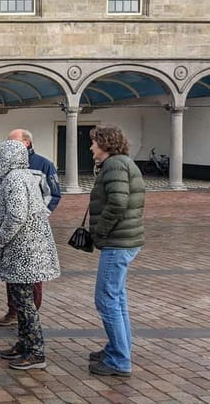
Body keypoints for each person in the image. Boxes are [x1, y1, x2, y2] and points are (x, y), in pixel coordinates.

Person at [0, 140, 61, 370]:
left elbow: (17, 216)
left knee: (25, 303)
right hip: (24, 248)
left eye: (0, 156)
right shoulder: (21, 176)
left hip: (24, 250)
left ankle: (35, 351)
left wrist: (0, 238)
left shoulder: (15, 179)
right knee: (21, 301)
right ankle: (24, 343)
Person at [87, 124, 145, 377]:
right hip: (125, 240)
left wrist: (100, 230)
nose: (91, 147)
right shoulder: (121, 163)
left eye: (94, 142)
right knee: (117, 299)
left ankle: (119, 360)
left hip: (118, 242)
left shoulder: (115, 165)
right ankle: (117, 349)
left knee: (106, 299)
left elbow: (119, 202)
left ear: (105, 143)